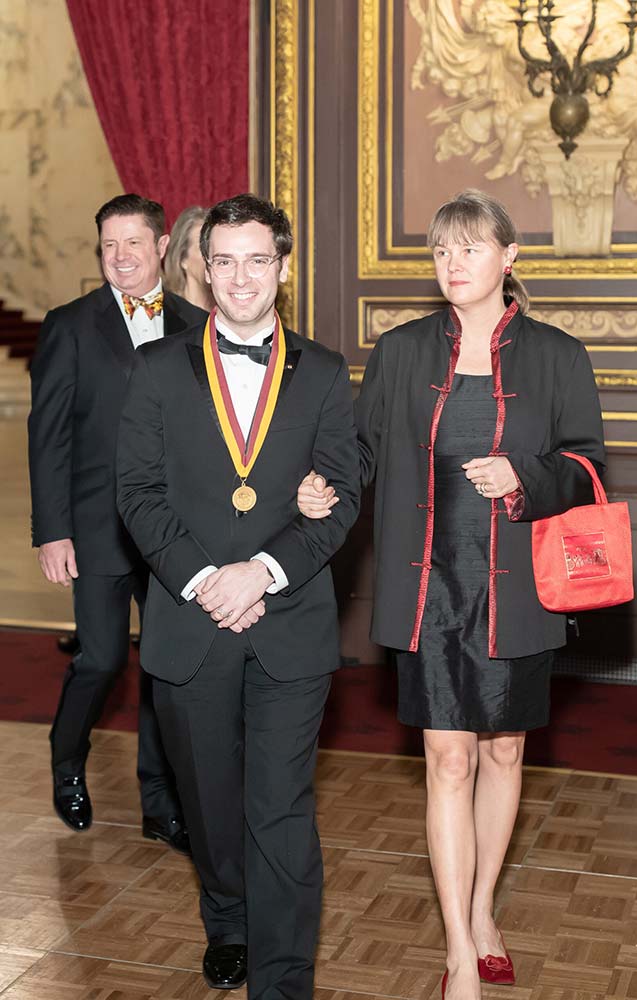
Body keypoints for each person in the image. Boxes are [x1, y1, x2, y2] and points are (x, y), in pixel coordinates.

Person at [297, 189, 605, 1000]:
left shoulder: (557, 355)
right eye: (440, 250)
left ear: (509, 257)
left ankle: (481, 911)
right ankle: (460, 953)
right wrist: (326, 484)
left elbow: (586, 466)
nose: (453, 263)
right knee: (447, 757)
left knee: (503, 751)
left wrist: (523, 475)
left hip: (518, 590)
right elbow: (358, 451)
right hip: (427, 584)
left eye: (469, 248)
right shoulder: (400, 351)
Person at [115, 193, 360, 997]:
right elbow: (137, 494)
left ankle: (282, 981)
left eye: (258, 260)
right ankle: (226, 917)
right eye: (225, 261)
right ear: (203, 268)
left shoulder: (324, 372)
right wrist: (205, 580)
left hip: (289, 624)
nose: (241, 277)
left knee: (280, 809)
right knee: (211, 805)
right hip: (191, 623)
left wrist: (262, 571)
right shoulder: (156, 368)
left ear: (283, 268)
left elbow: (342, 496)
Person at [28, 193, 207, 851]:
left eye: (133, 242)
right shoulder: (70, 325)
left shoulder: (196, 325)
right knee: (101, 659)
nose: (121, 256)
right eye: (109, 244)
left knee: (165, 667)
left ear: (161, 246)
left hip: (172, 532)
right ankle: (66, 759)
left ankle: (160, 802)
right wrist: (53, 530)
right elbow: (47, 435)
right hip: (96, 528)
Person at [163, 204, 215, 310]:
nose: (214, 256)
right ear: (182, 258)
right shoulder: (165, 313)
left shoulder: (230, 312)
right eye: (204, 248)